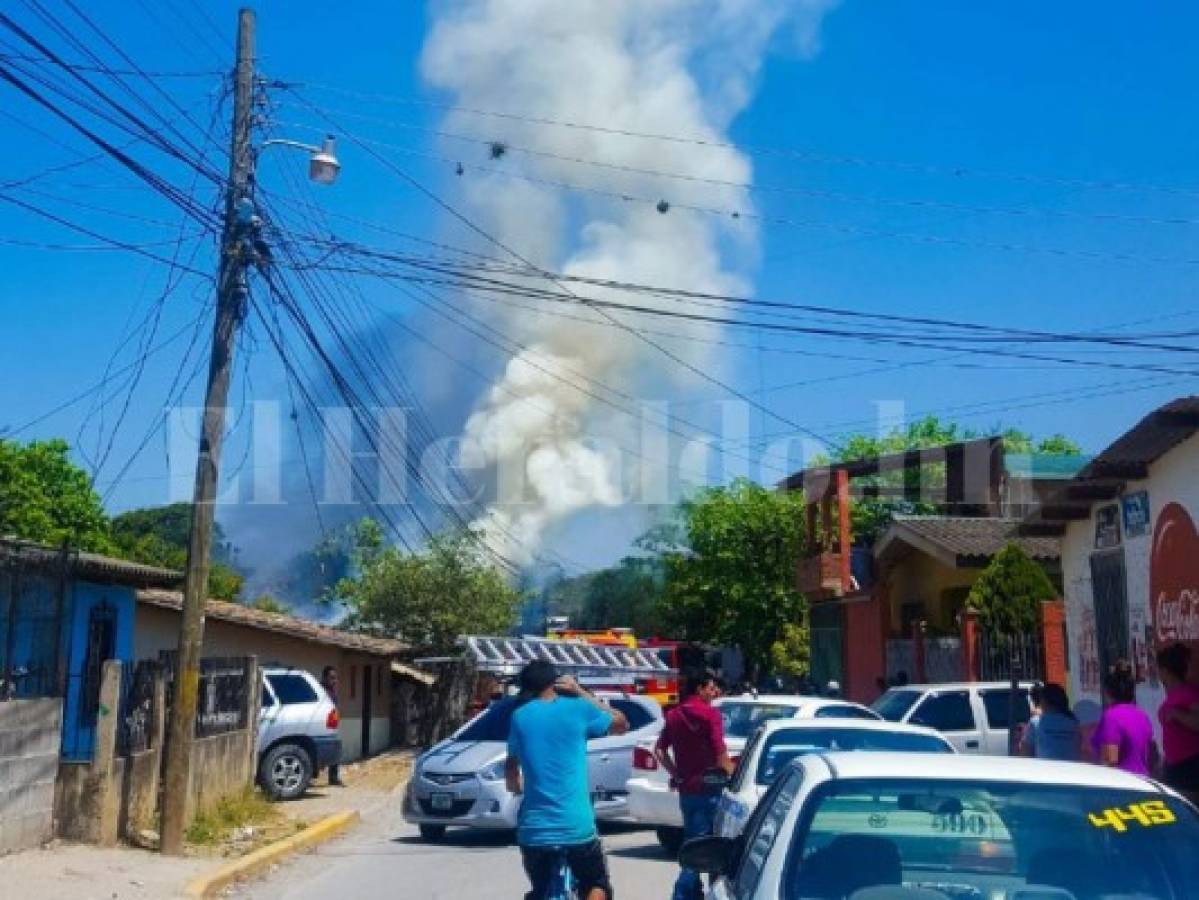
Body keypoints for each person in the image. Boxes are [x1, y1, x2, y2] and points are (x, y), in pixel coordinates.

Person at [505, 660, 628, 900]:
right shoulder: (577, 707)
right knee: (596, 884)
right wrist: (580, 691)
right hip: (576, 827)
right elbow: (622, 723)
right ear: (556, 682)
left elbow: (511, 767)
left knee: (540, 891)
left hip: (535, 831)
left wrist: (515, 786)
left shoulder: (519, 716)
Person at [655, 669, 735, 900]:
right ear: (699, 689)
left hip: (687, 790)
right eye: (711, 688)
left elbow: (659, 750)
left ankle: (697, 894)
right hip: (712, 788)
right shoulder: (710, 715)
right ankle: (682, 894)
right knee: (708, 850)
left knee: (694, 843)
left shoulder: (674, 715)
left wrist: (676, 773)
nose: (715, 692)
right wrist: (734, 776)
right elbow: (720, 753)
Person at [1092, 660, 1155, 775]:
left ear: (1107, 693)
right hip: (1143, 782)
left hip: (1122, 785)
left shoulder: (1111, 717)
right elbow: (1151, 755)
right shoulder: (1142, 716)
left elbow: (1110, 760)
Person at [1155, 642, 1199, 801]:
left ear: (1165, 671)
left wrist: (1177, 714)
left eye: (1159, 669)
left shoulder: (1187, 693)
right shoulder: (1174, 694)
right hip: (1175, 766)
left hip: (1189, 767)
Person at [1020, 683, 1081, 761]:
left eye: (1040, 699)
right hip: (1072, 770)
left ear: (1044, 701)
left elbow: (1025, 754)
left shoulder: (1036, 722)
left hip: (1046, 771)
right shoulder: (1073, 723)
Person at [320, 665, 344, 787]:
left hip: (331, 724)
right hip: (321, 725)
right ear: (324, 678)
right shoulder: (321, 690)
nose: (334, 680)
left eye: (335, 678)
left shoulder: (332, 691)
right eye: (331, 677)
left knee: (336, 749)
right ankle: (332, 777)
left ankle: (333, 777)